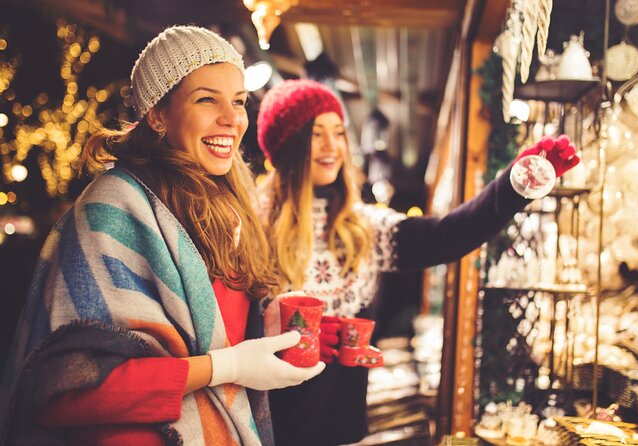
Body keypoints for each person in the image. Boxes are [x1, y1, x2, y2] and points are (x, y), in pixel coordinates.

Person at [0, 26, 324, 446]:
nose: (231, 117)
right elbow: (65, 391)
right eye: (207, 99)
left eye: (239, 101)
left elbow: (219, 336)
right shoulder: (112, 209)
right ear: (156, 114)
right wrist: (228, 367)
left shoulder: (226, 212)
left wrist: (270, 324)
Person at [255, 79, 580, 446]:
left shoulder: (361, 227)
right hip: (267, 428)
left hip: (341, 430)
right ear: (287, 144)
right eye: (316, 134)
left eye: (339, 132)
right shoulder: (250, 224)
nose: (332, 146)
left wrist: (512, 185)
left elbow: (446, 236)